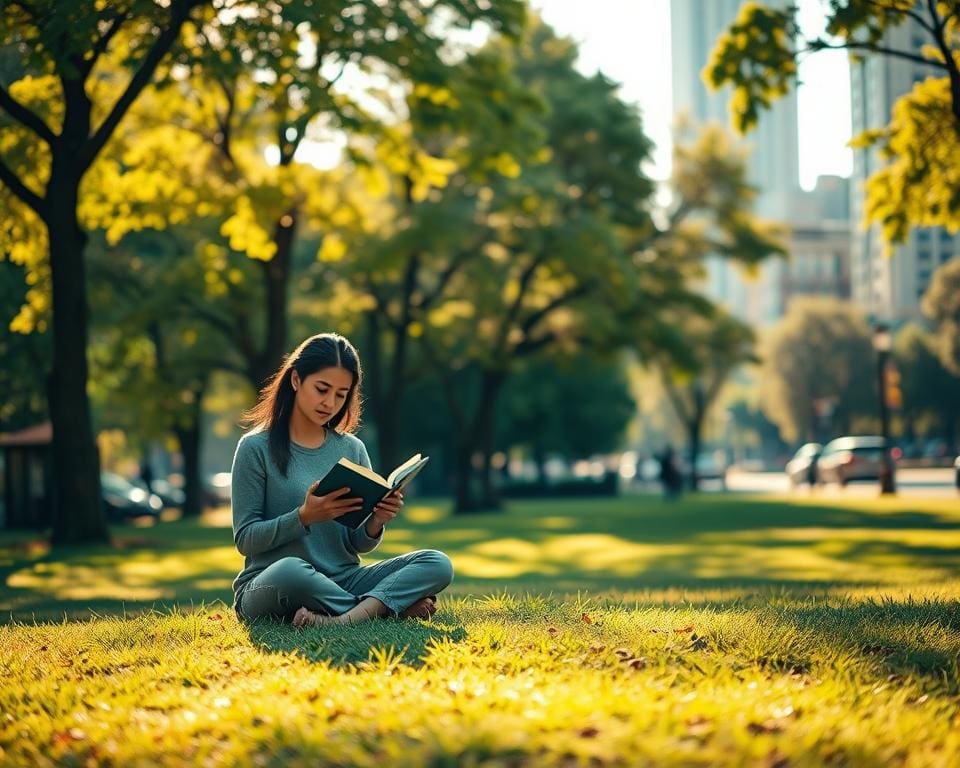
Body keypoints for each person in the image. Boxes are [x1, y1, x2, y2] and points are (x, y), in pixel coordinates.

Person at [230, 332, 453, 627]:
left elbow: (356, 544)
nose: (330, 403)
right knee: (292, 571)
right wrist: (304, 517)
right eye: (322, 389)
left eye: (341, 394)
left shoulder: (351, 449)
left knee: (437, 563)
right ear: (296, 380)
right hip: (274, 583)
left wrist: (376, 522)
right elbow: (246, 540)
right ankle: (382, 610)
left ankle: (344, 617)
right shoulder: (255, 447)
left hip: (344, 579)